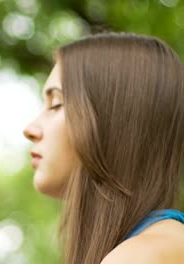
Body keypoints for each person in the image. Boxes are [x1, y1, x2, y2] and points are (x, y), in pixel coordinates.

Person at [23, 32, 184, 264]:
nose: (30, 129)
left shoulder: (140, 256)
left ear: (114, 120)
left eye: (56, 104)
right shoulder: (161, 244)